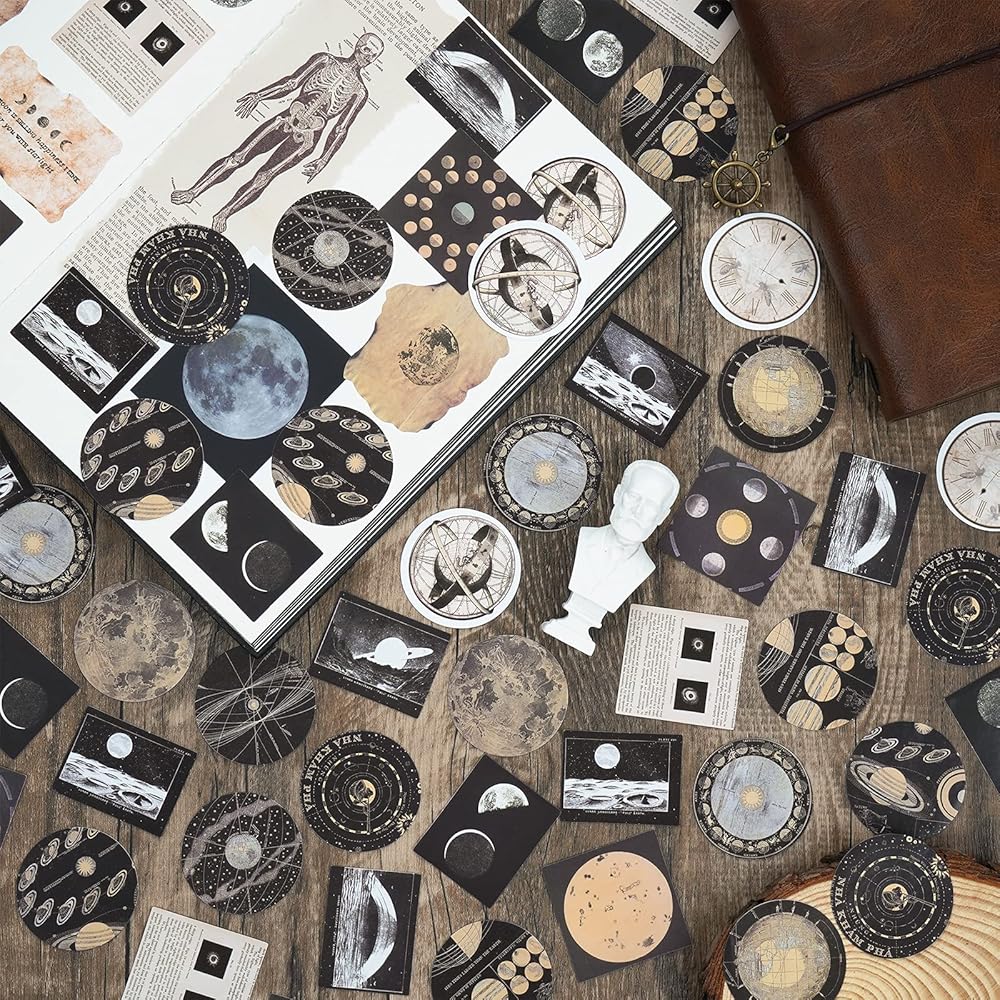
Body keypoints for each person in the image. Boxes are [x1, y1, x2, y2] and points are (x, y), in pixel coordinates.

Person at [170, 33, 384, 232]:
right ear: (358, 46)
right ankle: (193, 192)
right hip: (287, 118)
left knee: (265, 176)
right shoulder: (325, 60)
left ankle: (224, 213)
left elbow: (340, 129)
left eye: (373, 56)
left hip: (307, 138)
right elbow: (292, 83)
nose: (368, 57)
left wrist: (324, 159)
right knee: (238, 157)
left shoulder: (359, 91)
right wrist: (260, 95)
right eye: (367, 50)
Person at [542, 459, 679, 655]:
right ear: (618, 494)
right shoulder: (586, 538)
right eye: (634, 497)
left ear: (661, 517)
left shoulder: (644, 568)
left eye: (651, 506)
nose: (637, 511)